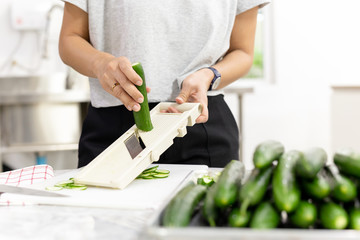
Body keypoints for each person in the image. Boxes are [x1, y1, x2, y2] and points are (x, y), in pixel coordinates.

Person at [59, 0, 270, 168]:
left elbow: (242, 52)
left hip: (199, 120)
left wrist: (209, 75)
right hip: (117, 125)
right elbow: (70, 38)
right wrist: (101, 64)